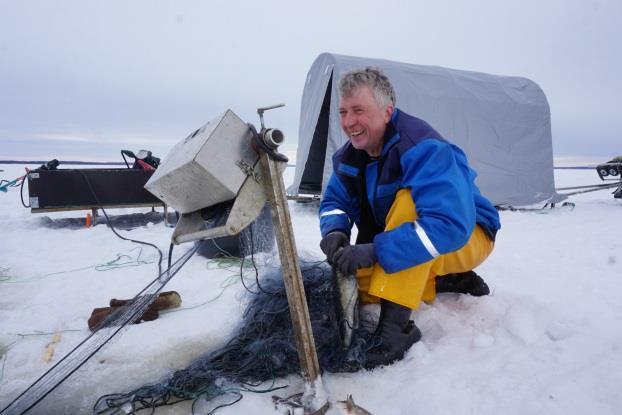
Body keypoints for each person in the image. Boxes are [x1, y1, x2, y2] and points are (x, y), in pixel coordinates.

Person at [319, 67, 501, 368]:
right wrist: (334, 231)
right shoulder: (350, 156)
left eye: (358, 110)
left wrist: (375, 250)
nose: (348, 122)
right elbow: (334, 202)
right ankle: (441, 279)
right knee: (363, 290)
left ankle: (395, 331)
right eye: (343, 111)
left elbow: (448, 225)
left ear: (387, 111)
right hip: (420, 242)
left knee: (409, 203)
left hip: (469, 236)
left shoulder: (422, 147)